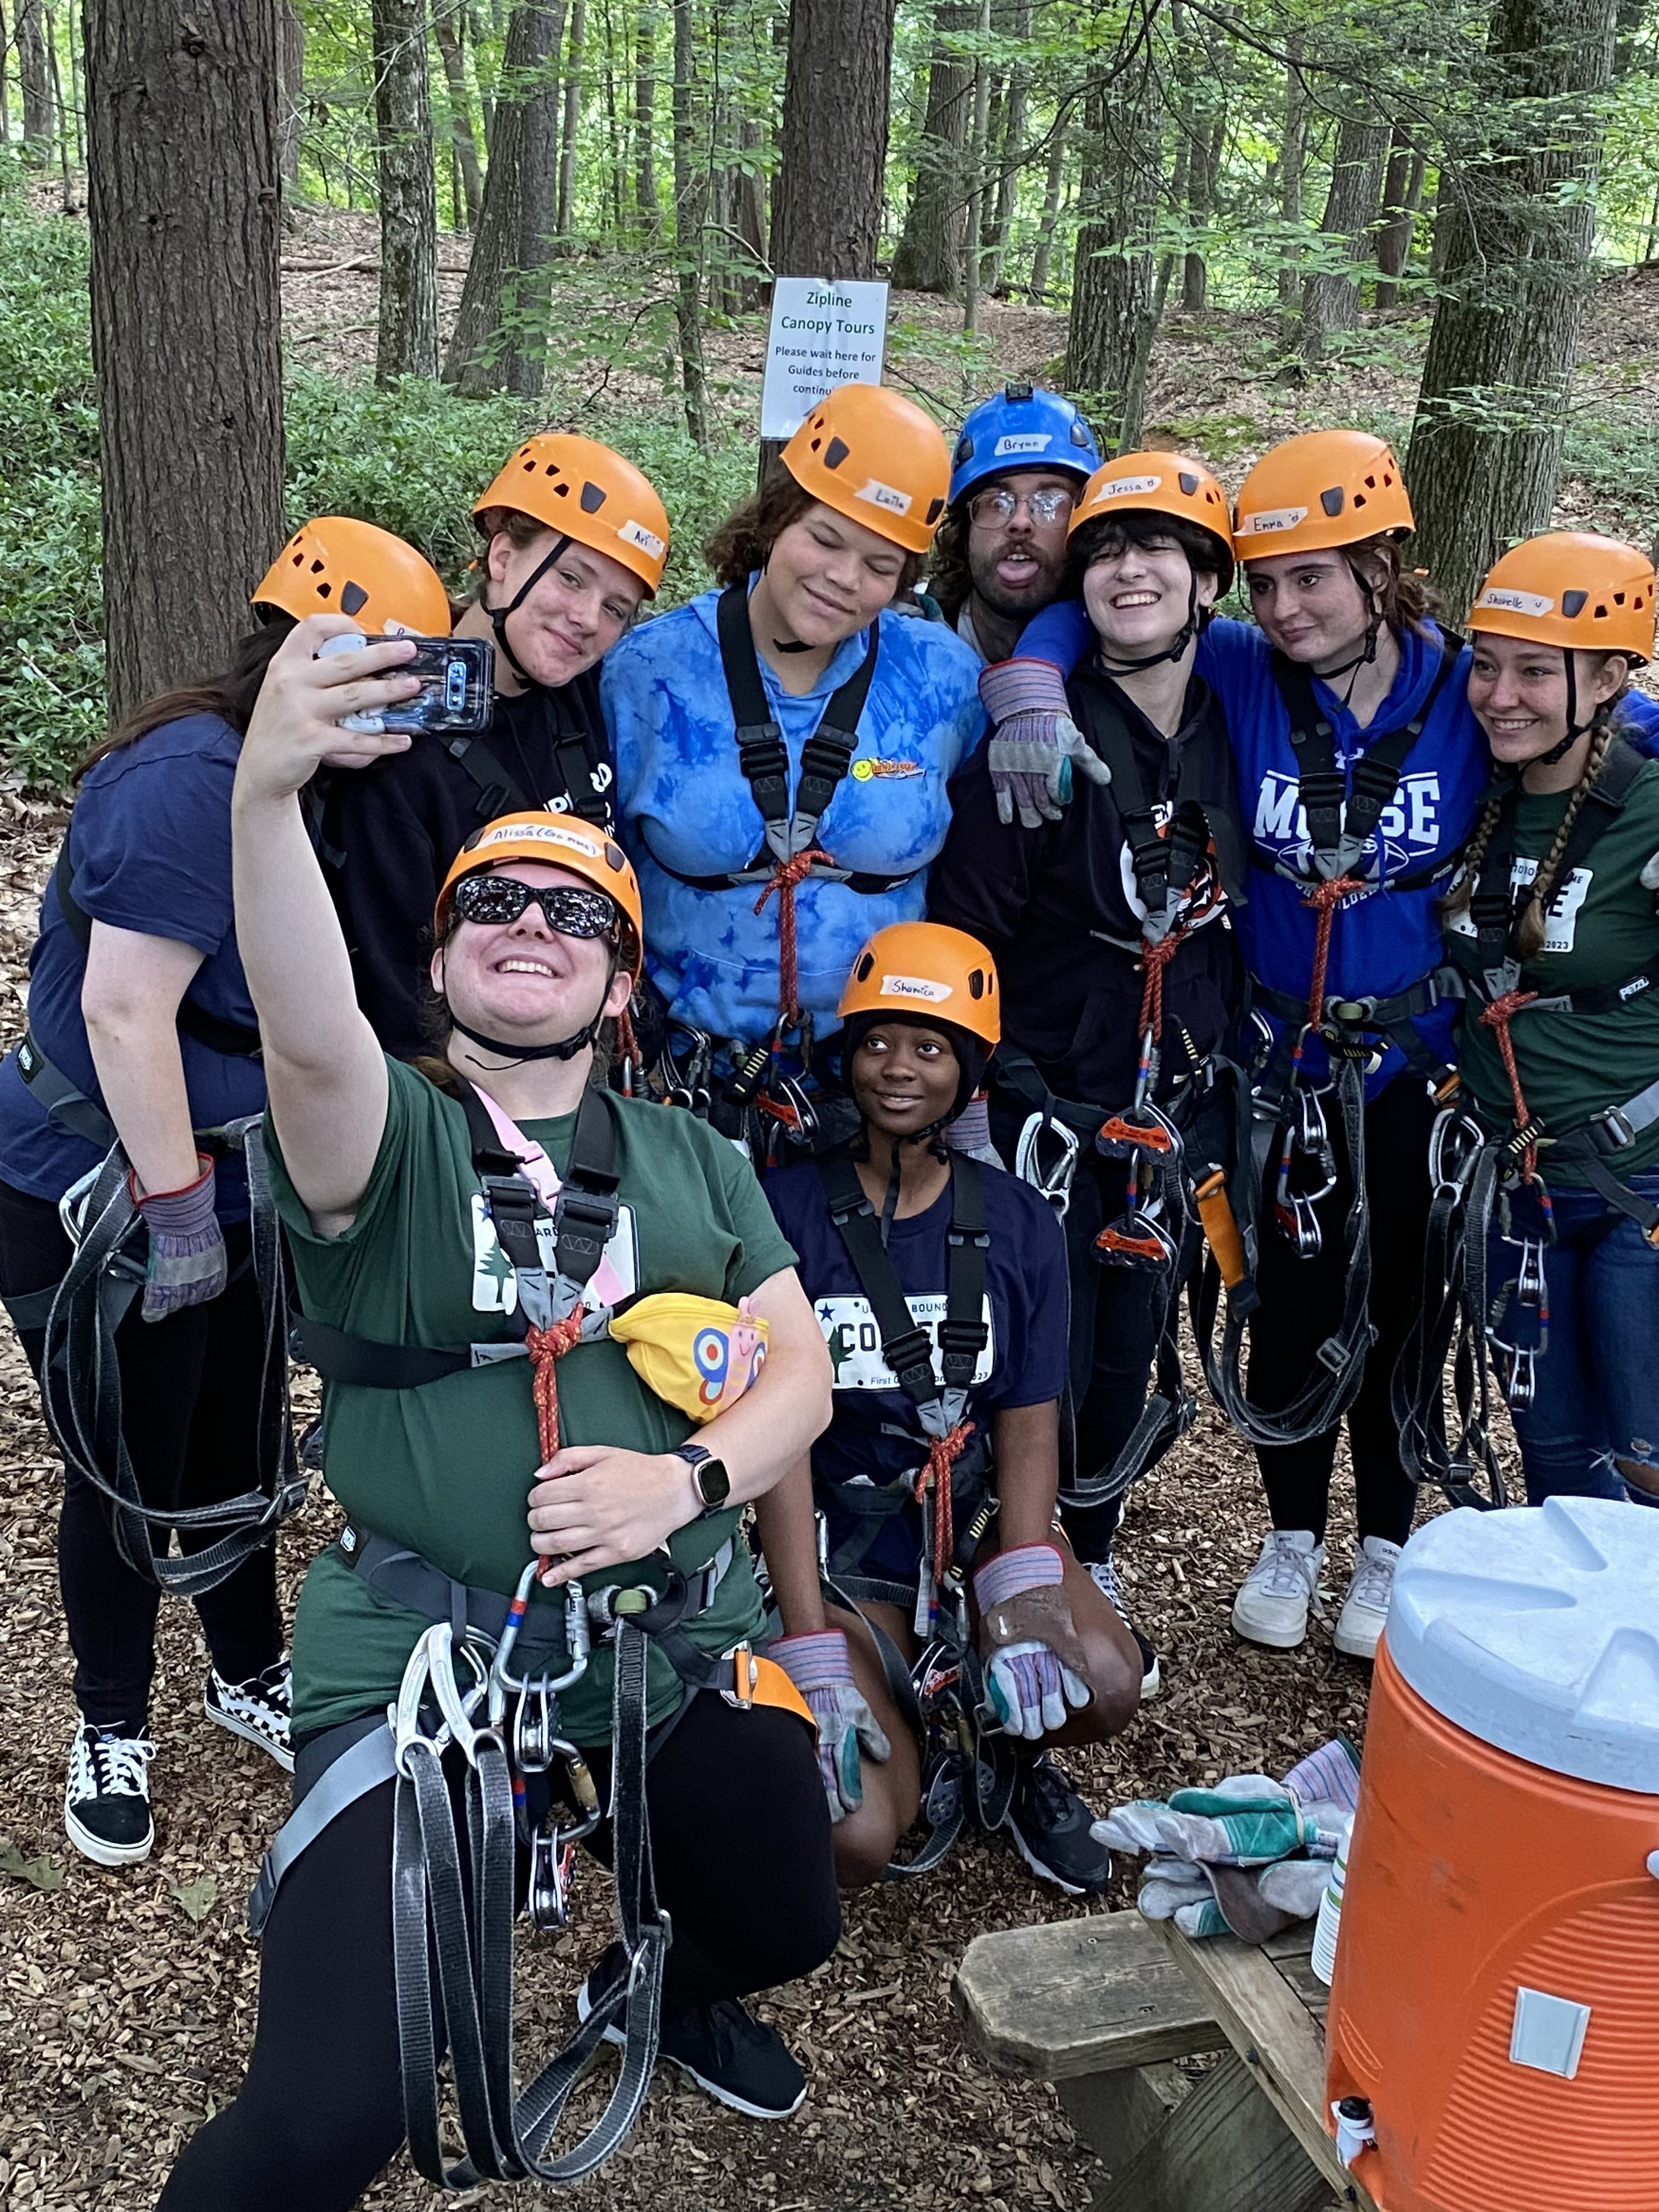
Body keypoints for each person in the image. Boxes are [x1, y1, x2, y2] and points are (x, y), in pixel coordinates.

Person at [157, 622, 840, 2211]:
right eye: (493, 905)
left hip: (665, 1632)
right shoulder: (383, 1133)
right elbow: (305, 1022)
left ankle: (652, 1982)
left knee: (787, 1918)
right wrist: (268, 798)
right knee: (329, 2117)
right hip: (424, 1657)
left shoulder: (695, 1163)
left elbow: (799, 1374)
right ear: (440, 960)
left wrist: (683, 1484)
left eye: (576, 913)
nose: (533, 924)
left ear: (620, 982)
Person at [980, 431, 1489, 1660]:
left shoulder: (1466, 693)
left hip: (1413, 1064)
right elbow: (1099, 607)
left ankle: (1386, 1542)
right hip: (1277, 1066)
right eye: (1266, 583)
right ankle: (1292, 1533)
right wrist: (1029, 686)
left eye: (1311, 577)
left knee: (1404, 1307)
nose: (1286, 607)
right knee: (1286, 1303)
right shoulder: (1243, 668)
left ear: (1382, 569)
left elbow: (1590, 715)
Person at [0, 520, 452, 1869]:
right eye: (379, 680)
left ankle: (245, 1666)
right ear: (304, 651)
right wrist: (177, 1205)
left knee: (234, 1442)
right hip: (96, 1182)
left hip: (226, 1174)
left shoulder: (302, 785)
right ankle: (111, 1717)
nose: (396, 715)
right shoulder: (187, 780)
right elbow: (125, 1011)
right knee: (128, 1462)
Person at [928, 455, 1245, 1685]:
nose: (1127, 570)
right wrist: (977, 1097)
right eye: (1105, 550)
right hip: (1047, 1101)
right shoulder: (1037, 739)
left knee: (1130, 1335)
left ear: (1206, 583)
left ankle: (1091, 1543)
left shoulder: (1235, 717)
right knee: (1031, 1344)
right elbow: (967, 922)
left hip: (1172, 1096)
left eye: (1158, 550)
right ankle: (1001, 1557)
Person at [754, 924, 1142, 1896]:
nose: (898, 1068)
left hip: (968, 1527)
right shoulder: (781, 1212)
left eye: (929, 1047)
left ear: (969, 1069)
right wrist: (807, 1643)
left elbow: (1027, 1424)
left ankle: (1013, 1749)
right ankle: (918, 1717)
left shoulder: (1017, 1221)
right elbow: (774, 1443)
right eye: (878, 1042)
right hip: (843, 1544)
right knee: (855, 1832)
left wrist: (1022, 1592)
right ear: (846, 1057)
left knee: (1102, 1679)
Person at [601, 381, 985, 1153]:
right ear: (776, 521)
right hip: (681, 1082)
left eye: (879, 565)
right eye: (826, 539)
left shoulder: (943, 681)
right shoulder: (647, 674)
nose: (844, 577)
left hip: (878, 1093)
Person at [322, 433, 671, 1059]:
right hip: (464, 1077)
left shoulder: (585, 694)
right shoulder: (397, 743)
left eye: (616, 609)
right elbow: (396, 994)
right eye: (571, 578)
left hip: (596, 1048)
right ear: (503, 557)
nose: (588, 618)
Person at [1438, 532, 1659, 1511]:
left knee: (1646, 1458)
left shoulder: (1647, 808)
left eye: (1535, 671)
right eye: (1486, 666)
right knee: (1556, 1465)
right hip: (1512, 1187)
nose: (1499, 695)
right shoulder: (1472, 791)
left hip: (1635, 1184)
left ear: (1608, 681)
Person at [928, 382, 1101, 663]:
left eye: (1050, 501)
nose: (1020, 522)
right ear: (964, 530)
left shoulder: (1126, 654)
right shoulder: (904, 640)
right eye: (996, 503)